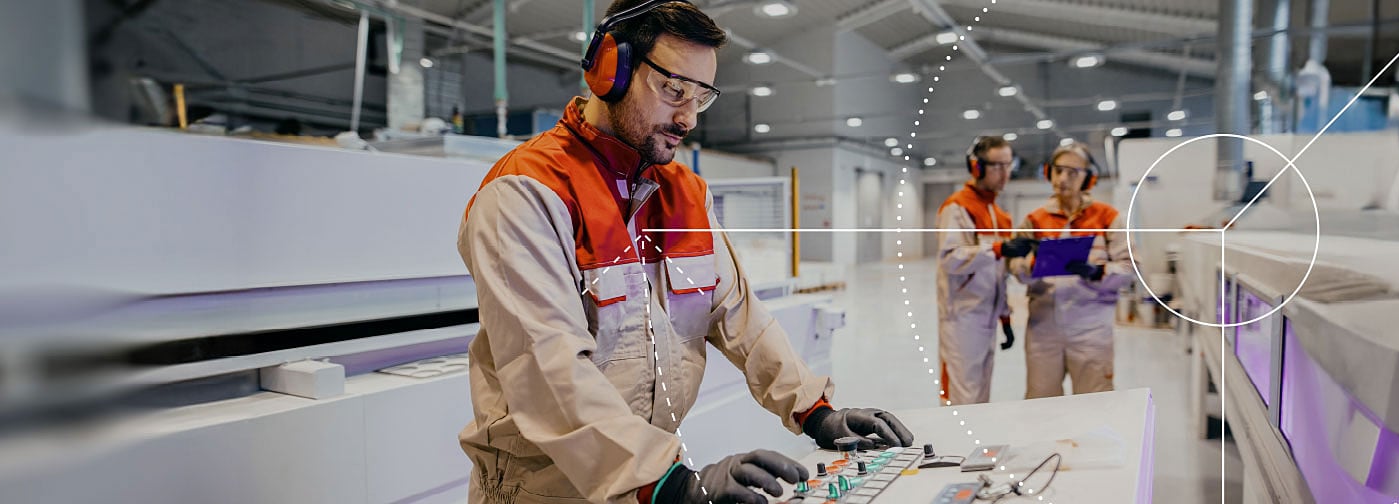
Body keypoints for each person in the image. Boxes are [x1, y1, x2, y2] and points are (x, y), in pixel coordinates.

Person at [456, 2, 911, 503]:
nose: (689, 118)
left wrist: (816, 411)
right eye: (674, 90)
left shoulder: (685, 193)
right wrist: (665, 481)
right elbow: (548, 369)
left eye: (702, 97)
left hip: (639, 484)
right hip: (544, 489)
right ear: (611, 69)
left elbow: (738, 316)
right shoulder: (527, 192)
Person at [1017, 142, 1131, 398]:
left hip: (1091, 329)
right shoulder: (1034, 220)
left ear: (1088, 178)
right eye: (1058, 171)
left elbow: (1130, 269)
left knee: (1095, 402)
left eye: (1072, 172)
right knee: (1041, 404)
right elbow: (1017, 270)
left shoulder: (1108, 217)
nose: (1063, 179)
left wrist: (1097, 272)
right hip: (1043, 329)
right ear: (1049, 173)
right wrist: (1027, 262)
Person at [935, 136, 1034, 405]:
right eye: (997, 166)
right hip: (961, 320)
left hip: (988, 318)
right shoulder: (957, 207)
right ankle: (955, 447)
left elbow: (998, 273)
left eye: (1008, 165)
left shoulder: (1000, 215)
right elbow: (950, 258)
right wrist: (999, 249)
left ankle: (974, 445)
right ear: (977, 167)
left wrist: (1004, 317)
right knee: (960, 396)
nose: (1005, 173)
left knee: (981, 396)